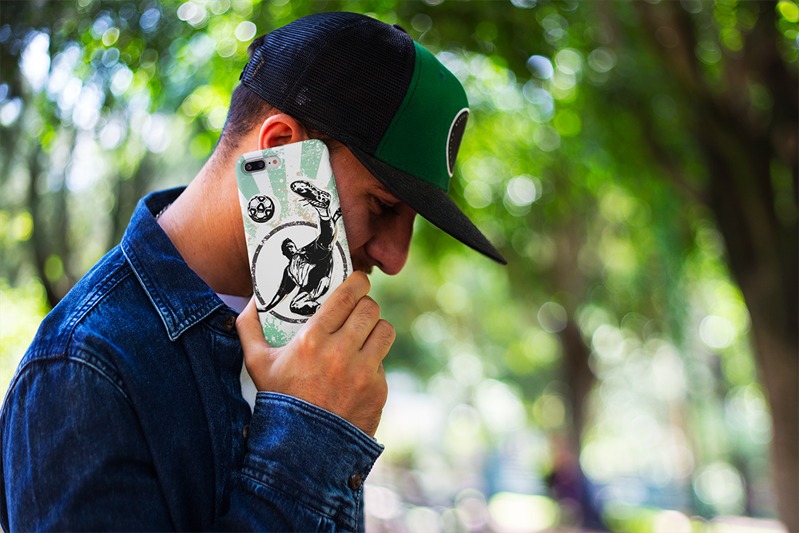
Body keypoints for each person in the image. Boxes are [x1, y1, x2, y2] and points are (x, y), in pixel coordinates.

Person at [0, 11, 506, 532]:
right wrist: (309, 433)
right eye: (382, 205)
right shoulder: (82, 369)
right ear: (281, 148)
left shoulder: (307, 342)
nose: (396, 258)